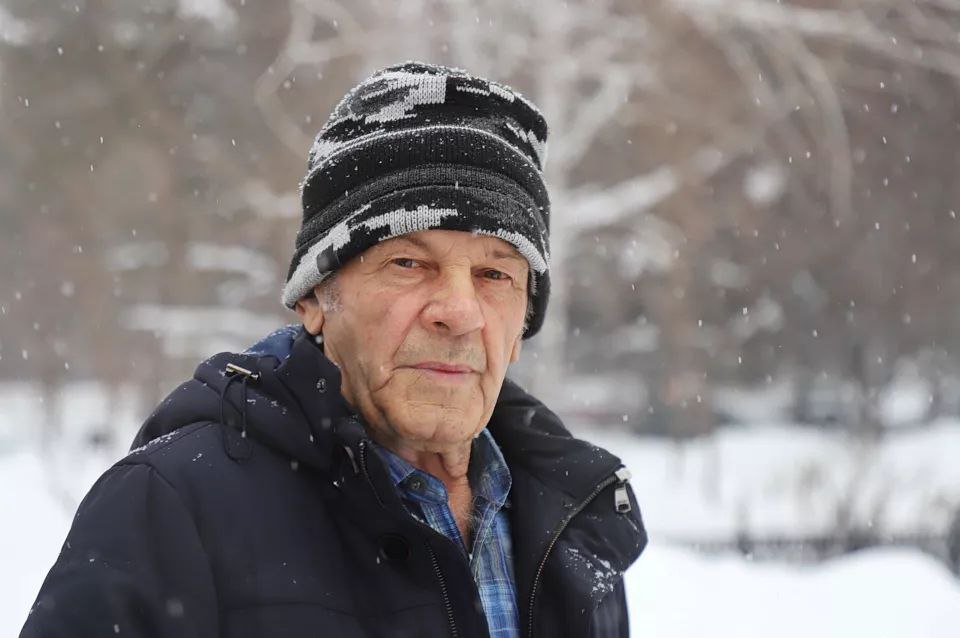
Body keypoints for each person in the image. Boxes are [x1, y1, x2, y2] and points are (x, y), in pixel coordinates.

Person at [22, 62, 646, 638]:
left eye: (495, 274)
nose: (459, 312)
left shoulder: (571, 524)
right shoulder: (171, 509)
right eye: (408, 262)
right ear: (316, 298)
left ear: (521, 325)